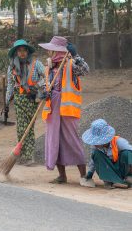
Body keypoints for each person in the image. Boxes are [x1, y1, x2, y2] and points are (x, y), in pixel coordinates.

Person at [38, 36, 89, 185]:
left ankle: (84, 176)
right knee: (55, 141)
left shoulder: (71, 64)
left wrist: (76, 55)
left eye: (51, 50)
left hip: (67, 109)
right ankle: (62, 175)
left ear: (58, 51)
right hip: (52, 109)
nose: (48, 52)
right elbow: (43, 85)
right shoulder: (48, 67)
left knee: (72, 141)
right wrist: (43, 93)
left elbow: (85, 70)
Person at [5, 39, 45, 166]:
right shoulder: (11, 67)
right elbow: (10, 85)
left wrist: (40, 86)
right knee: (21, 128)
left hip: (32, 99)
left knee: (29, 128)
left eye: (24, 50)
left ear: (28, 51)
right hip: (19, 99)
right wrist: (6, 100)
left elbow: (47, 77)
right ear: (16, 53)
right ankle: (22, 155)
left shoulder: (36, 64)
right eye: (19, 51)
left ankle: (29, 156)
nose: (22, 53)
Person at [82, 119, 132, 189]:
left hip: (121, 170)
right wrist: (90, 173)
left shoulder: (119, 142)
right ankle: (109, 181)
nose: (95, 143)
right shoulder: (95, 147)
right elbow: (94, 161)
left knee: (128, 153)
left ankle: (128, 178)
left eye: (98, 141)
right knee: (96, 154)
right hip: (108, 170)